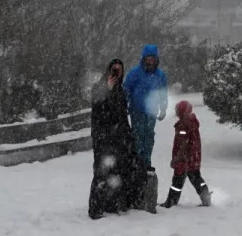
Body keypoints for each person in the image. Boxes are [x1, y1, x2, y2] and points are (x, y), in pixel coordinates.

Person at [87, 60, 136, 219]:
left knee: (116, 172)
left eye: (119, 70)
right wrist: (106, 90)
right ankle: (95, 209)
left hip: (118, 138)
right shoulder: (98, 88)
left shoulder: (121, 91)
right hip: (103, 137)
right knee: (101, 173)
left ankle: (110, 204)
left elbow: (122, 115)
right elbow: (98, 110)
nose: (116, 73)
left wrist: (128, 134)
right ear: (108, 70)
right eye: (114, 70)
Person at [123, 43, 169, 172]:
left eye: (152, 58)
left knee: (148, 137)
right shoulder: (135, 73)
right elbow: (127, 90)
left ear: (156, 59)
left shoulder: (160, 75)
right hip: (136, 110)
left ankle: (146, 161)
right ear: (143, 58)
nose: (150, 61)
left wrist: (163, 108)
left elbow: (163, 93)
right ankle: (137, 162)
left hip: (151, 112)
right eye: (148, 58)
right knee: (137, 136)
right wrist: (125, 105)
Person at [162, 99, 212, 208]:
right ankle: (205, 197)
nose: (176, 112)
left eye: (177, 110)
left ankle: (171, 202)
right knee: (196, 178)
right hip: (194, 157)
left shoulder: (183, 125)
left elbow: (183, 143)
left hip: (184, 159)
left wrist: (177, 158)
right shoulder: (193, 122)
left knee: (177, 181)